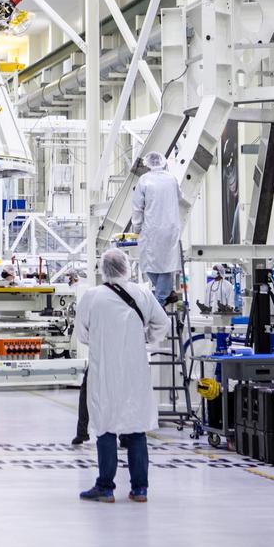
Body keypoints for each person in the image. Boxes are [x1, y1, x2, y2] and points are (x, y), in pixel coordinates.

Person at [74, 249, 169, 503]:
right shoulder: (143, 294)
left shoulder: (92, 296)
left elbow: (81, 334)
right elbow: (163, 324)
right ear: (127, 267)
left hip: (104, 371)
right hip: (134, 371)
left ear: (103, 269)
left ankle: (105, 487)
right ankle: (140, 489)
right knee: (136, 428)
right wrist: (146, 339)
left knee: (105, 427)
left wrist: (101, 338)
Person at [130, 151, 182, 307]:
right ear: (163, 162)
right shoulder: (172, 179)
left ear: (147, 164)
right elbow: (180, 196)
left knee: (150, 265)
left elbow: (137, 207)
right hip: (171, 228)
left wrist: (136, 228)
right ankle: (165, 293)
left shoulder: (144, 180)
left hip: (151, 229)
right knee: (167, 264)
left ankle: (159, 300)